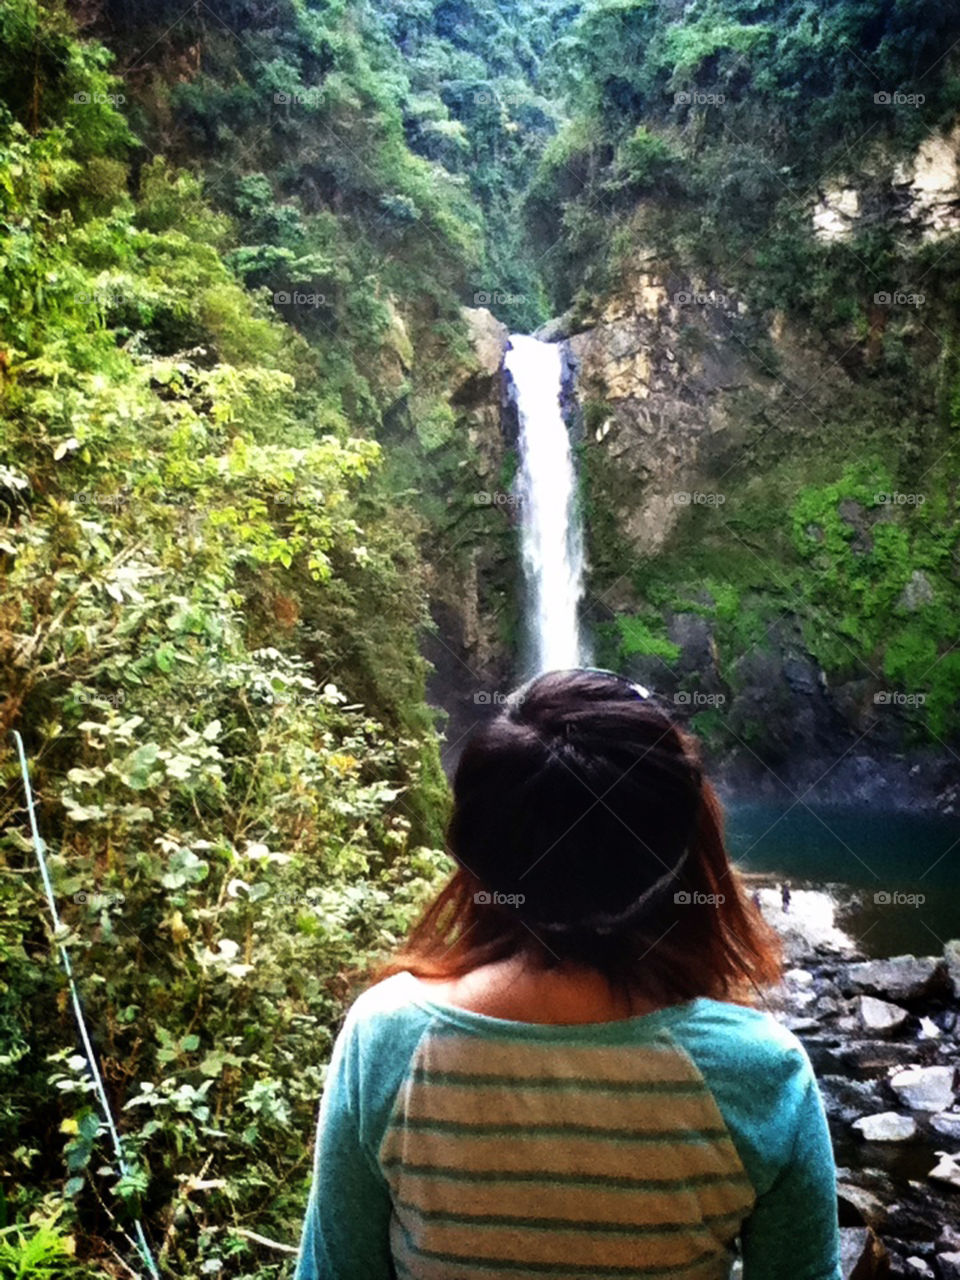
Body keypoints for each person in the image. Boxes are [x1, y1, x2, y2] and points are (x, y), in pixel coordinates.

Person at [294, 669, 842, 1280]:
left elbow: (334, 1269)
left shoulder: (386, 1039)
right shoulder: (759, 1071)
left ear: (479, 850)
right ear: (685, 851)